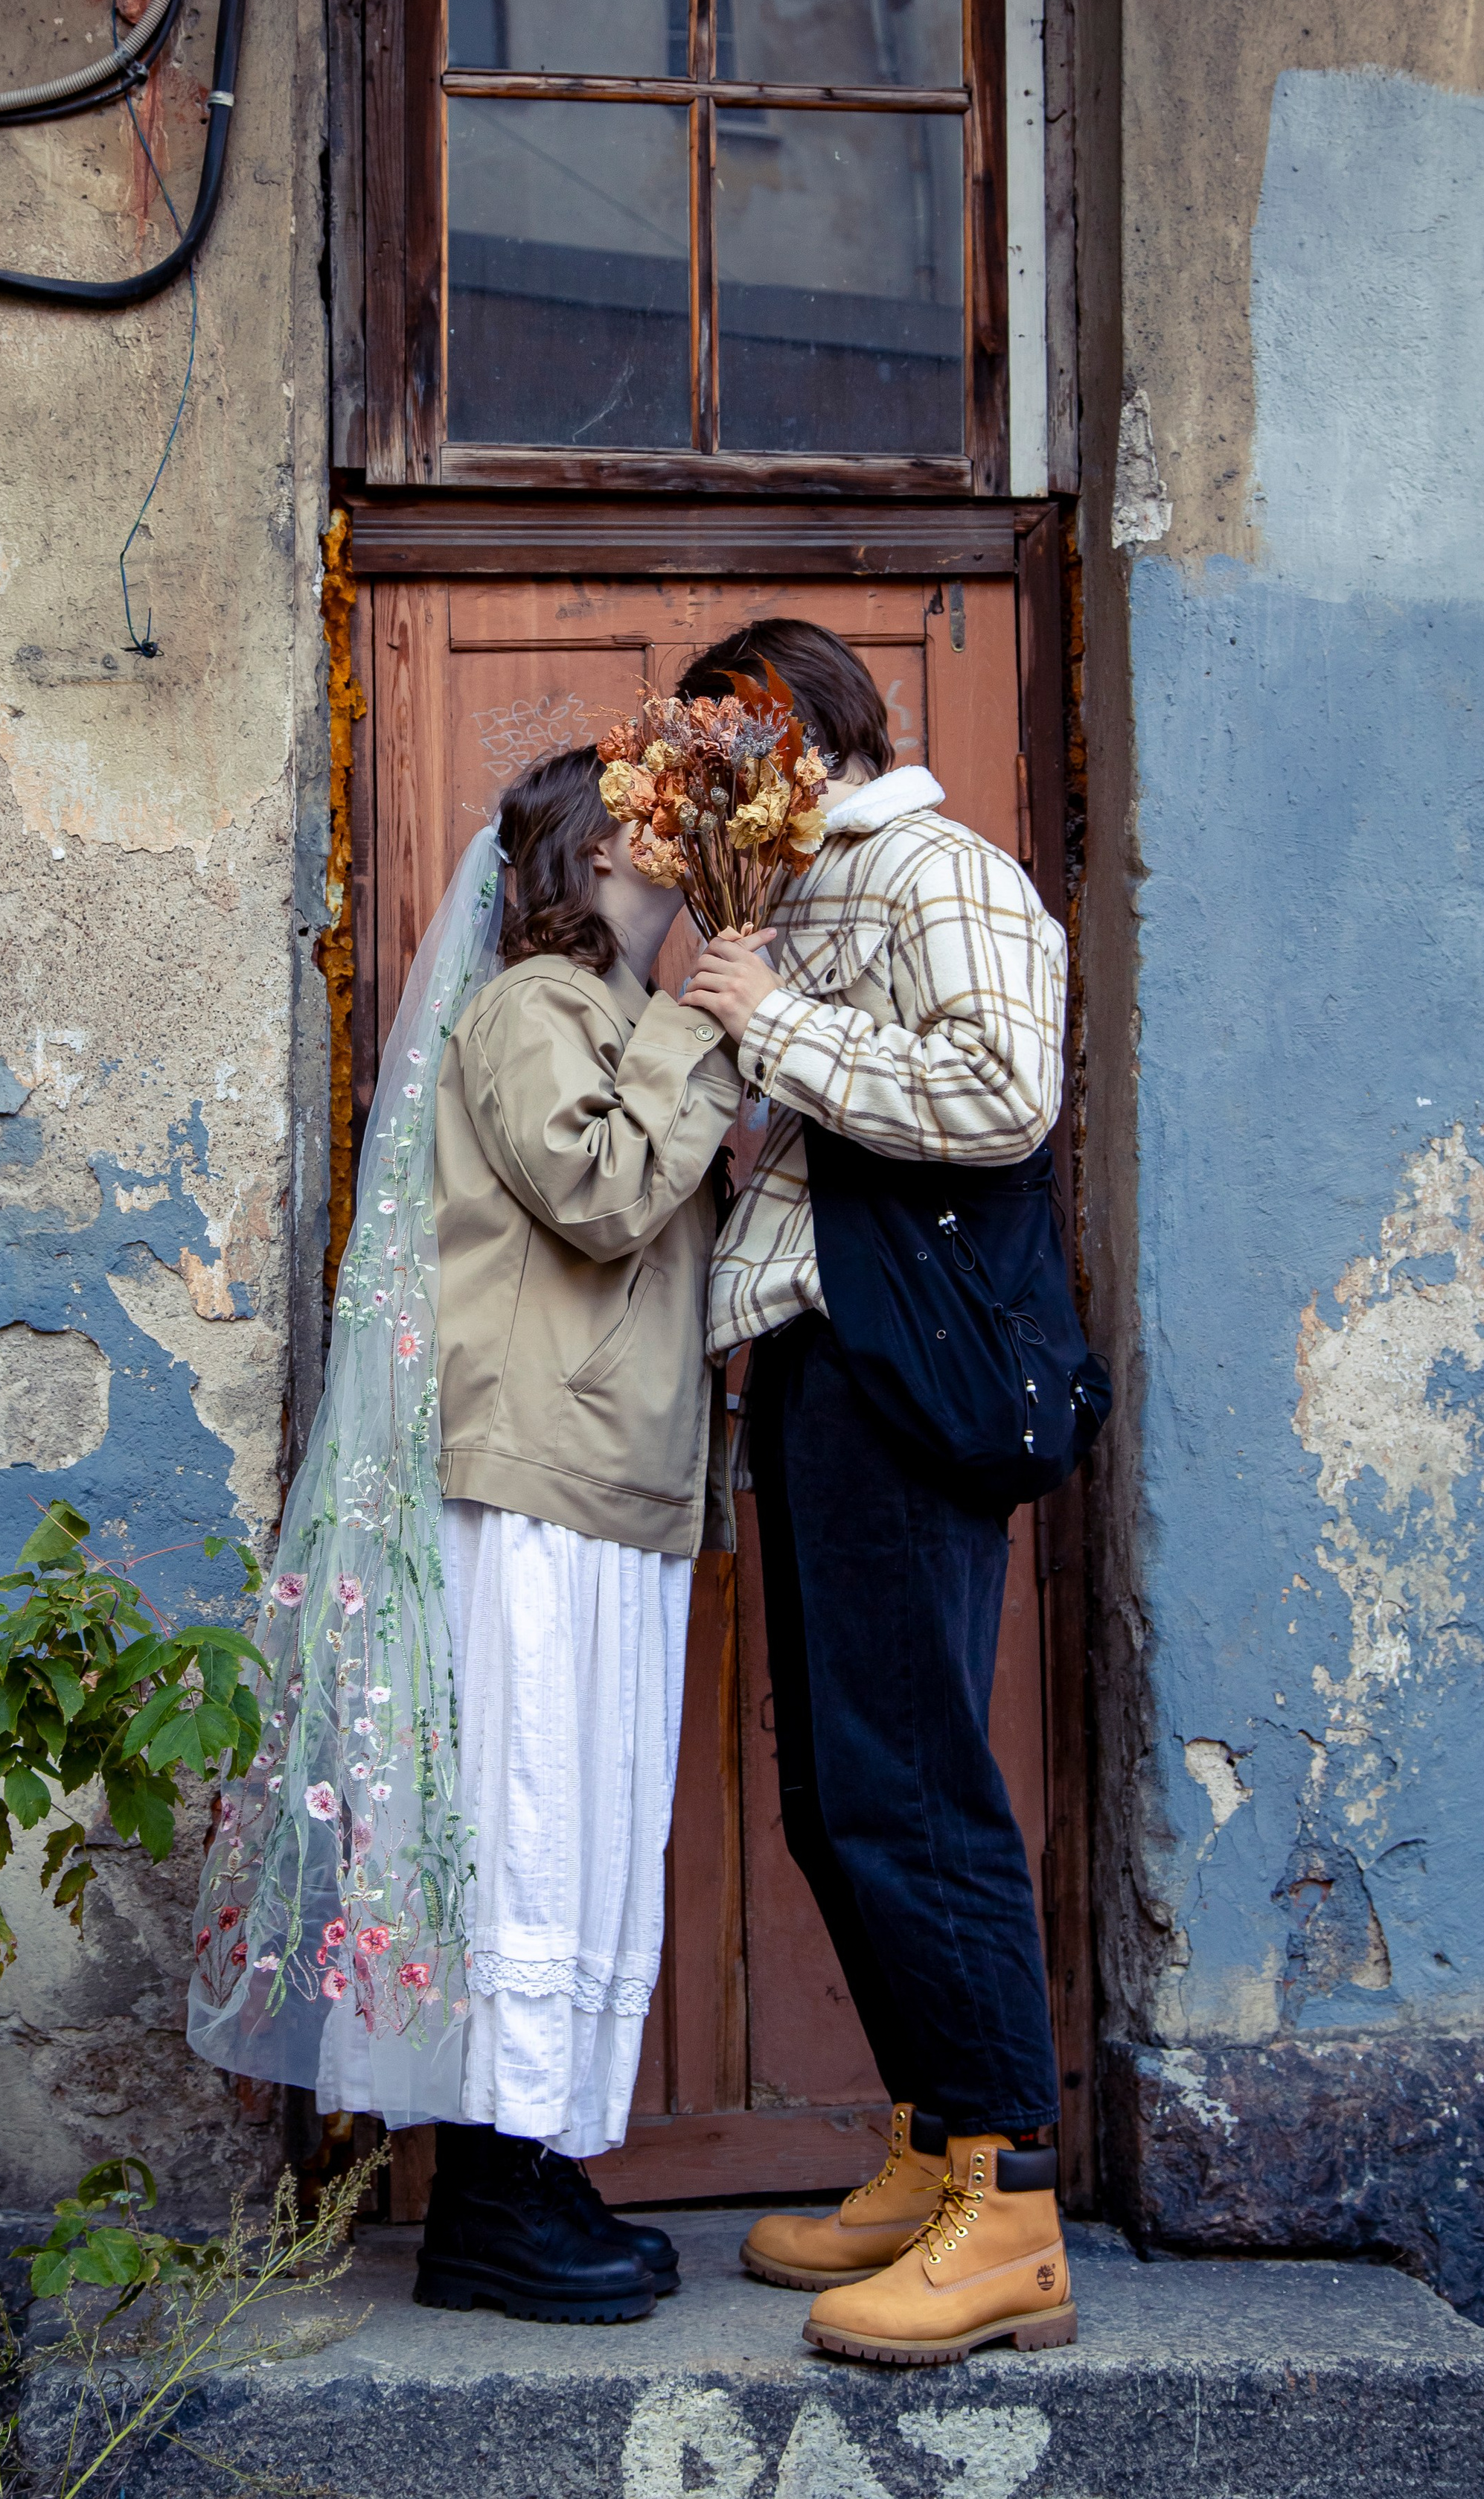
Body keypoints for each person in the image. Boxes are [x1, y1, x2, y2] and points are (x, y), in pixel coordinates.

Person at [188, 746, 740, 2326]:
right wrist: (708, 1029)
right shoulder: (527, 1012)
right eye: (652, 829)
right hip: (529, 1476)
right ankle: (488, 2204)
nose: (681, 852)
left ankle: (541, 2164)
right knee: (521, 1815)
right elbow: (599, 1190)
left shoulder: (630, 1022)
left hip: (612, 1475)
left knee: (581, 1819)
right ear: (591, 860)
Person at [677, 617, 1078, 2367]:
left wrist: (771, 1020)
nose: (700, 786)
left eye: (719, 750)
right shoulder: (797, 893)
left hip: (901, 1369)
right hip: (816, 1363)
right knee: (837, 1792)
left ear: (801, 734)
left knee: (908, 1787)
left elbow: (1003, 1093)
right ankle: (930, 2153)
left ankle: (1009, 2210)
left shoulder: (936, 868)